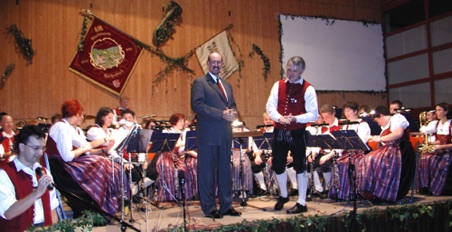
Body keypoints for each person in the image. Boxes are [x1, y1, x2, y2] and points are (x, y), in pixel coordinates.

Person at [46, 99, 128, 219]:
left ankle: (106, 205)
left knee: (108, 164)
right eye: (81, 114)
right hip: (61, 168)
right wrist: (103, 141)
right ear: (76, 114)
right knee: (101, 163)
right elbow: (67, 156)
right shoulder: (61, 127)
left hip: (68, 164)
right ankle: (99, 206)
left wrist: (103, 150)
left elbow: (87, 148)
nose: (82, 117)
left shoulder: (71, 128)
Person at [266, 56, 319, 214]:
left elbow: (313, 115)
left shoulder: (308, 89)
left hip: (297, 132)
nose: (290, 73)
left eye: (294, 71)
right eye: (288, 69)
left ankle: (302, 202)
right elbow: (270, 106)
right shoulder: (278, 85)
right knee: (278, 165)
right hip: (279, 130)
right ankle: (283, 195)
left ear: (301, 71)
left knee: (300, 166)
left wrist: (296, 118)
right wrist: (278, 118)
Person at [191, 52, 240, 218]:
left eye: (219, 62)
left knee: (225, 172)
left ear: (222, 64)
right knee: (207, 173)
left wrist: (233, 114)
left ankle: (226, 205)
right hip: (208, 135)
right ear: (208, 63)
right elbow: (197, 106)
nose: (216, 65)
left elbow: (232, 105)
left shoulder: (227, 85)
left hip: (225, 134)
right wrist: (221, 114)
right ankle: (209, 208)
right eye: (213, 62)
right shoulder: (200, 83)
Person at [0, 125, 59, 231]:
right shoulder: (4, 174)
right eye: (36, 148)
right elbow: (8, 213)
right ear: (22, 147)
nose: (40, 153)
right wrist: (36, 193)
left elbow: (52, 209)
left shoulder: (44, 172)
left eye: (42, 148)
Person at [357, 105, 415, 202]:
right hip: (390, 150)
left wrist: (379, 138)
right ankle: (373, 190)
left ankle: (383, 191)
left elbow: (398, 134)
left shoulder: (397, 118)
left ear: (381, 116)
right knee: (366, 159)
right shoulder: (386, 126)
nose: (379, 123)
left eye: (378, 120)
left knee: (372, 160)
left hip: (401, 150)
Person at [417, 103, 452, 195]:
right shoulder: (437, 124)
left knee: (434, 160)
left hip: (448, 151)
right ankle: (425, 186)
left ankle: (436, 188)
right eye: (436, 110)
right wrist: (430, 144)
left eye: (439, 110)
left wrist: (441, 147)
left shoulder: (451, 124)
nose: (437, 112)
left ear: (446, 112)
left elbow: (447, 143)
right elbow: (439, 140)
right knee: (424, 157)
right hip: (439, 149)